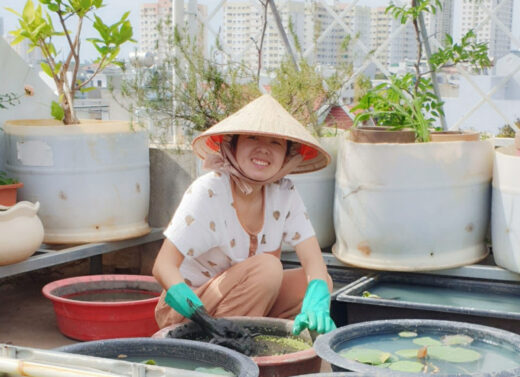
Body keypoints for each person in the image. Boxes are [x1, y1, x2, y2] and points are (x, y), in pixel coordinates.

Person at [152, 94, 336, 339]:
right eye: (252, 137)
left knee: (318, 282)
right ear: (233, 144)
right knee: (269, 268)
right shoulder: (209, 190)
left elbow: (314, 263)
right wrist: (202, 316)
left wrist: (318, 300)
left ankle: (261, 341)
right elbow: (162, 266)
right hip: (189, 309)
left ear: (287, 156)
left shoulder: (284, 192)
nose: (263, 149)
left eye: (276, 143)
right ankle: (223, 346)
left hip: (247, 298)